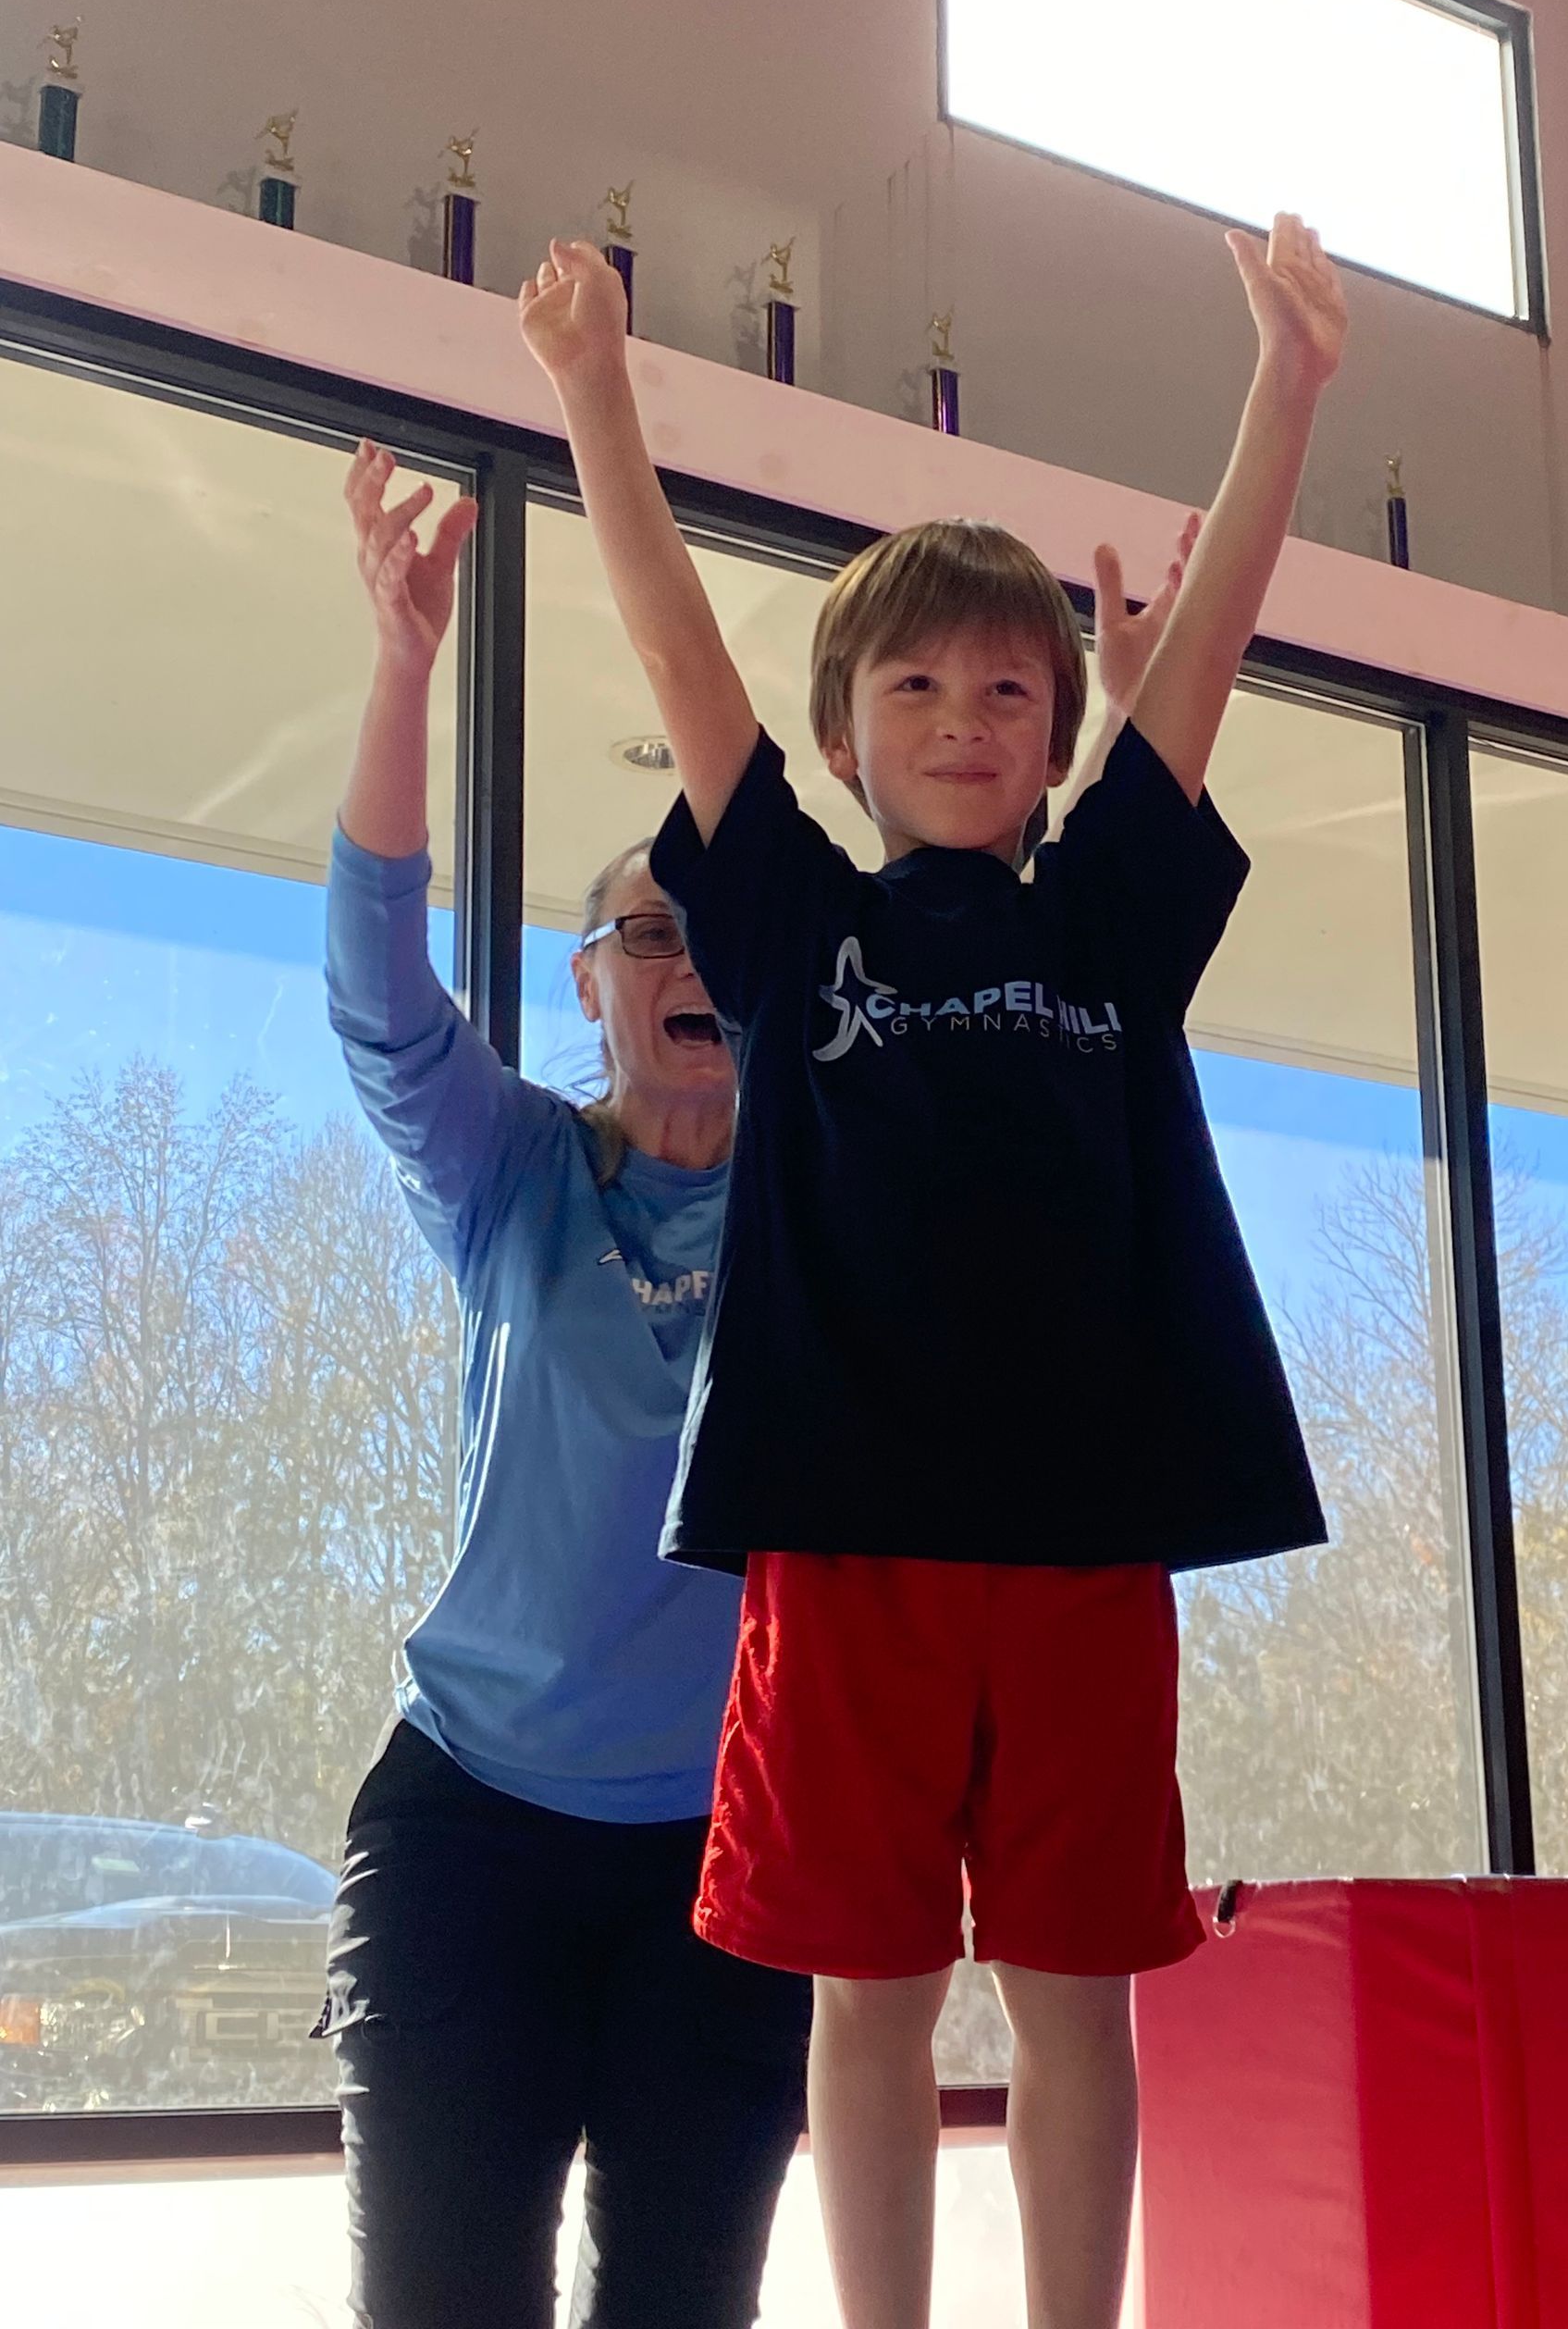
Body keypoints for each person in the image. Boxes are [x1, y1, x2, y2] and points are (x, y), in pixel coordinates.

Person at [520, 213, 1343, 2329]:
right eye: (914, 683)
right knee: (863, 1998)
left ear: (1060, 729)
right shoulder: (799, 918)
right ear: (852, 736)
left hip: (1080, 1552)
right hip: (848, 1552)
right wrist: (600, 399)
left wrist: (1286, 393)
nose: (963, 712)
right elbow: (684, 656)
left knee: (1081, 1994)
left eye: (1008, 684)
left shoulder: (1105, 923)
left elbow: (1215, 656)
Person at [315, 440, 810, 2329]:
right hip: (468, 1836)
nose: (686, 951)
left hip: (730, 1859)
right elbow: (374, 992)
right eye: (646, 925)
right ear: (591, 984)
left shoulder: (827, 1211)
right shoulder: (516, 1171)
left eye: (715, 922)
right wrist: (399, 661)